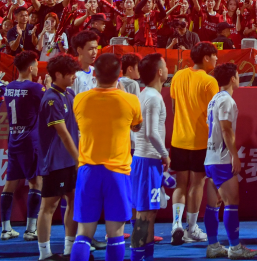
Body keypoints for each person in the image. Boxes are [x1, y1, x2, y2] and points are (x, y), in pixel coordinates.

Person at [68, 54, 142, 261]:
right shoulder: (130, 100)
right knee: (116, 234)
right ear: (119, 74)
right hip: (117, 172)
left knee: (83, 233)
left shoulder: (80, 99)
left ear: (95, 74)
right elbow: (137, 126)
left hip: (88, 171)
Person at [204, 63, 257, 259]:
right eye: (237, 75)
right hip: (222, 160)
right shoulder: (227, 101)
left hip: (210, 158)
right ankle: (235, 247)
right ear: (232, 79)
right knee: (231, 203)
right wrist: (234, 155)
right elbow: (226, 129)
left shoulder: (213, 100)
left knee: (213, 205)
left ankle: (213, 245)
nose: (239, 78)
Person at [169, 42, 220, 245]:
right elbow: (213, 116)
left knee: (181, 184)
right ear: (206, 58)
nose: (217, 59)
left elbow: (174, 108)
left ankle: (176, 225)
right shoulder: (210, 82)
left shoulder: (178, 76)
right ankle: (191, 228)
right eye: (214, 56)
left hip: (178, 140)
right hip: (199, 142)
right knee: (197, 184)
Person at [37, 54, 80, 261]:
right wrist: (79, 159)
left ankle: (69, 249)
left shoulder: (69, 93)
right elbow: (63, 134)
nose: (74, 76)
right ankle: (44, 254)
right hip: (55, 162)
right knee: (49, 206)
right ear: (58, 74)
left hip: (71, 161)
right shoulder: (51, 100)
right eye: (70, 73)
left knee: (73, 200)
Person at [130, 53, 170, 261]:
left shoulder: (144, 94)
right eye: (166, 65)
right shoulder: (153, 98)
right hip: (148, 162)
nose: (168, 68)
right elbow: (151, 133)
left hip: (144, 160)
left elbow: (136, 130)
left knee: (148, 214)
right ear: (159, 72)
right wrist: (164, 155)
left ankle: (147, 257)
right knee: (144, 216)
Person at [1, 51, 44, 241]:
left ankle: (5, 229)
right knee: (36, 182)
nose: (37, 68)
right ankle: (31, 230)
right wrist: (45, 87)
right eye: (36, 65)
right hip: (30, 141)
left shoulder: (9, 87)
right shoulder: (35, 88)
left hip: (14, 140)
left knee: (10, 183)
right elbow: (48, 106)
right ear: (30, 68)